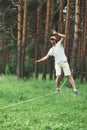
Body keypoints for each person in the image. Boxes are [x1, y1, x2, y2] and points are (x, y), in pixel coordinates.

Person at [36, 30, 78, 96]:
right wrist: (39, 60)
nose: (52, 40)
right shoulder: (51, 50)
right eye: (51, 39)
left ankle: (75, 90)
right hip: (57, 64)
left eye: (53, 39)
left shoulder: (59, 44)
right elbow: (46, 57)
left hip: (64, 62)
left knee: (69, 76)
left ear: (55, 40)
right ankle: (57, 89)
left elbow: (64, 36)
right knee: (58, 76)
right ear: (50, 41)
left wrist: (56, 33)